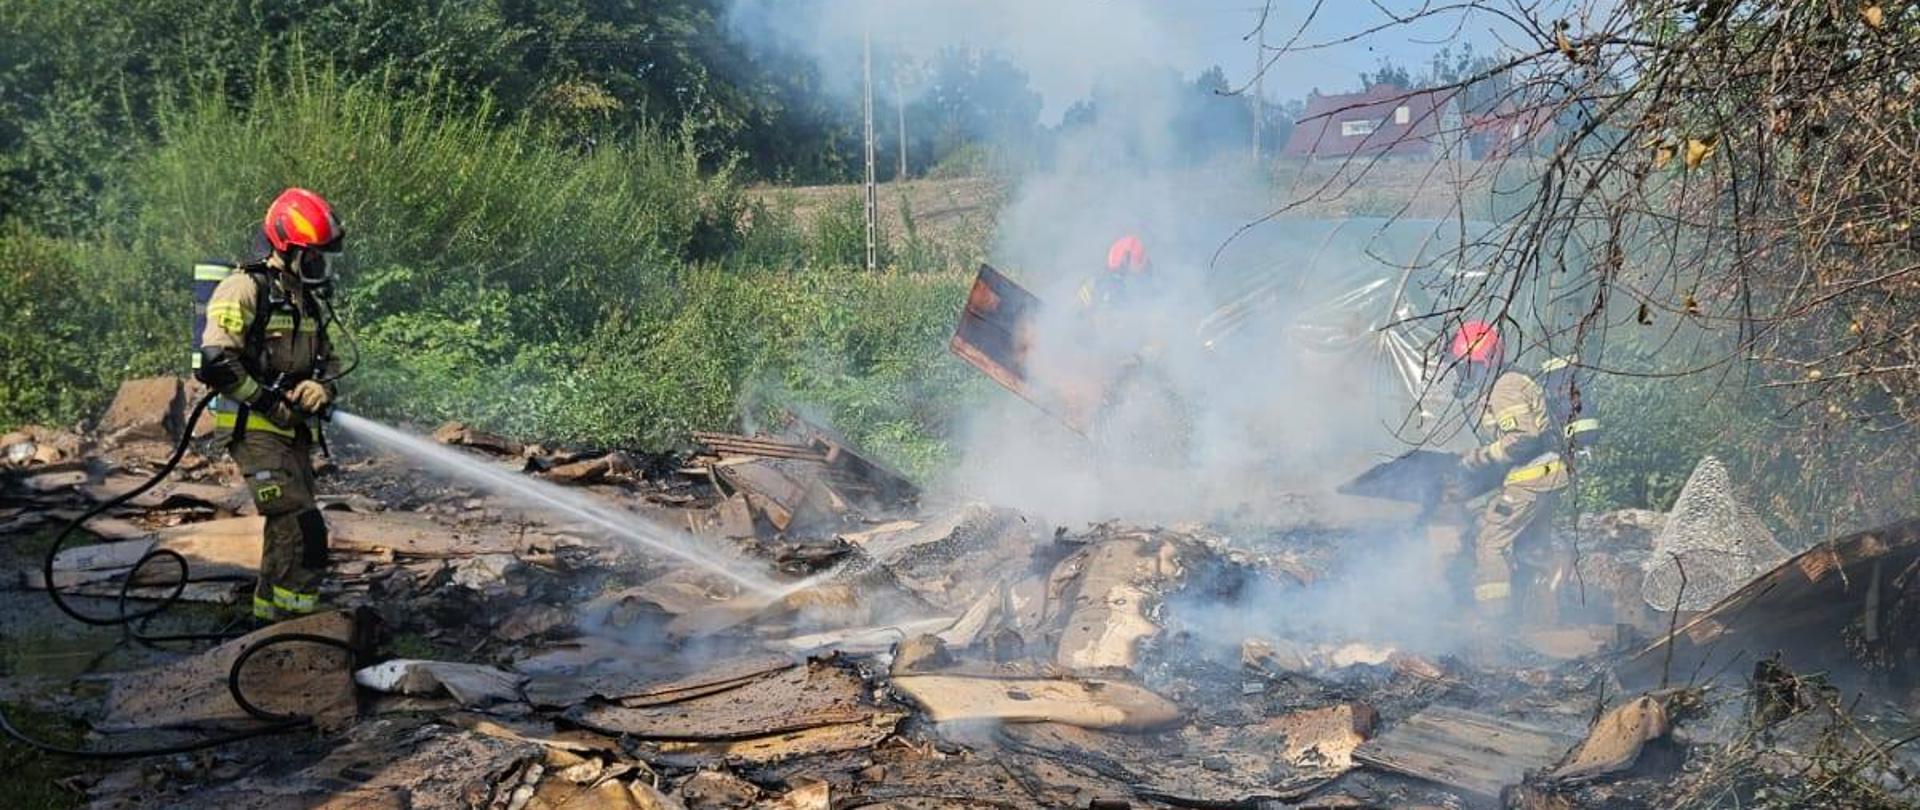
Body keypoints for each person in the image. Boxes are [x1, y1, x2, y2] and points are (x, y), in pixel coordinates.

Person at [196, 188, 345, 623]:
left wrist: (322, 389)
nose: (320, 264)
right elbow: (216, 360)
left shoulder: (306, 299)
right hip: (253, 426)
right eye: (313, 254)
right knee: (299, 520)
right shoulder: (244, 288)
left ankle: (273, 614)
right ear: (288, 247)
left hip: (293, 430)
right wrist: (270, 403)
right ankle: (294, 618)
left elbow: (331, 362)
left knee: (288, 522)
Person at [1447, 319, 1569, 627]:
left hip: (1531, 478)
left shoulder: (1504, 387)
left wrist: (1479, 457)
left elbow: (1523, 438)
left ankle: (1494, 622)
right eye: (1463, 367)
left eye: (1470, 366)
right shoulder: (1507, 382)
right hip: (1545, 475)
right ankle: (1543, 609)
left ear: (1488, 361)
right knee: (1529, 547)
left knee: (1490, 542)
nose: (1465, 373)